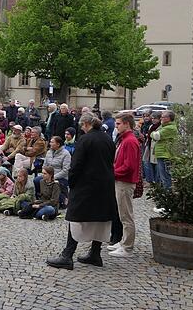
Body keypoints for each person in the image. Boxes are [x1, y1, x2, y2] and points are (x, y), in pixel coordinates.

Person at [46, 113, 117, 270]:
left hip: (86, 185)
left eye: (81, 126)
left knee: (76, 217)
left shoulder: (85, 140)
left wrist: (72, 182)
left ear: (85, 124)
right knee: (101, 218)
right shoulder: (107, 138)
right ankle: (95, 253)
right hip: (105, 184)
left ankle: (67, 255)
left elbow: (76, 165)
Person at [108, 113, 141, 258]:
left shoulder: (130, 141)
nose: (116, 126)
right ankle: (123, 242)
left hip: (125, 182)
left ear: (127, 124)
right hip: (121, 180)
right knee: (123, 214)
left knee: (126, 216)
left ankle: (127, 247)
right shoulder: (125, 139)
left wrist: (112, 172)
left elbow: (129, 166)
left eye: (118, 124)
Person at [35, 135, 71, 206]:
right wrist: (44, 173)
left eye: (52, 142)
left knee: (54, 183)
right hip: (47, 175)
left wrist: (53, 177)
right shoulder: (49, 152)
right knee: (37, 180)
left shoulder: (66, 154)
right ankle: (42, 198)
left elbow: (65, 170)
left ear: (58, 144)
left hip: (60, 177)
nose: (50, 144)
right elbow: (44, 165)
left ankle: (60, 199)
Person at [151, 110, 177, 191]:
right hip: (161, 153)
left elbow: (156, 136)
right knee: (163, 174)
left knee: (165, 174)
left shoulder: (170, 128)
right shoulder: (164, 126)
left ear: (168, 118)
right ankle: (165, 190)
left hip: (165, 153)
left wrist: (152, 133)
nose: (161, 118)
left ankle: (167, 192)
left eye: (163, 117)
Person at [142, 111, 161, 184]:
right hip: (149, 145)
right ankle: (150, 180)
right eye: (152, 118)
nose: (153, 120)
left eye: (155, 118)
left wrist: (149, 135)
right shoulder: (151, 126)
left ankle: (156, 181)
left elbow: (155, 136)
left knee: (156, 164)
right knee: (147, 162)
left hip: (156, 147)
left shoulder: (160, 127)